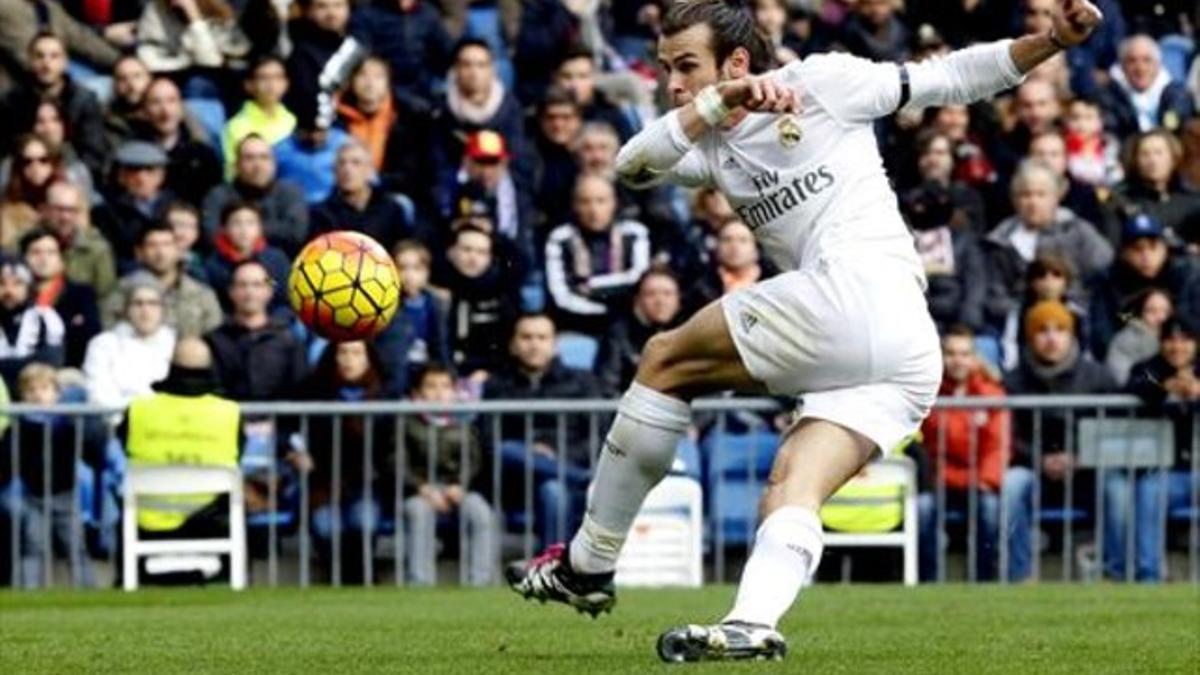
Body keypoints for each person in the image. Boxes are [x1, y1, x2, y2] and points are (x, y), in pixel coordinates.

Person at [505, 0, 1105, 661]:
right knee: (793, 481)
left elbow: (947, 79)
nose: (673, 84)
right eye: (665, 68)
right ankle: (753, 622)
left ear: (736, 59)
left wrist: (1051, 39)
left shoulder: (823, 82)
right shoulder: (709, 145)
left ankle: (589, 561)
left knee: (664, 358)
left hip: (865, 302)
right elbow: (630, 164)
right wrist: (714, 103)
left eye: (687, 67)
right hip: (893, 348)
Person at [1002, 300, 1116, 583]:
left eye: (1060, 330)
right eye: (1042, 330)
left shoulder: (1098, 377)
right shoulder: (1013, 381)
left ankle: (1119, 573)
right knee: (1012, 485)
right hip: (1033, 470)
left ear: (1071, 334)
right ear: (1030, 337)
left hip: (1088, 471)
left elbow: (1114, 429)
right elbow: (1007, 436)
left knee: (1118, 489)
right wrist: (1038, 459)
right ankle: (1020, 577)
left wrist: (1080, 457)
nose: (1052, 338)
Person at [119, 337, 241, 580]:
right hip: (209, 521)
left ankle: (124, 578)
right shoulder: (229, 412)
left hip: (148, 518)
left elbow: (123, 445)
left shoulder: (139, 409)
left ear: (171, 366)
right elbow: (240, 452)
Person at [484, 313, 600, 547]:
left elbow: (597, 436)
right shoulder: (496, 385)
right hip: (515, 479)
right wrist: (530, 453)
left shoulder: (583, 381)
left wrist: (556, 454)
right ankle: (579, 478)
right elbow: (488, 438)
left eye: (542, 337)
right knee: (505, 448)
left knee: (553, 489)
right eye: (526, 337)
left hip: (565, 471)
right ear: (513, 345)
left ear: (554, 345)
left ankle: (553, 570)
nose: (534, 344)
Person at [983, 160, 1112, 344]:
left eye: (1041, 194)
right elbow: (994, 294)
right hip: (1017, 326)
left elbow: (1103, 274)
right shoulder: (1000, 241)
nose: (1033, 202)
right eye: (1025, 195)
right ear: (1014, 200)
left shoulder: (1079, 232)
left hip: (1076, 320)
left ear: (1056, 197)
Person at [916, 326, 1008, 582]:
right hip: (939, 480)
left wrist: (985, 481)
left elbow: (997, 446)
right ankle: (928, 584)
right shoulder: (926, 394)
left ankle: (985, 583)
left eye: (965, 354)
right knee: (923, 508)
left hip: (978, 480)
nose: (958, 360)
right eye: (951, 353)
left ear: (974, 358)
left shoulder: (991, 394)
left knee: (990, 508)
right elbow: (925, 446)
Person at [297, 340, 393, 584]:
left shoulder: (385, 396)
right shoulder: (313, 392)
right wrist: (296, 452)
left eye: (357, 353)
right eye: (343, 352)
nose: (349, 359)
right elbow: (292, 433)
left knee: (364, 522)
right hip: (323, 482)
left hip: (368, 483)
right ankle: (336, 578)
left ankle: (362, 579)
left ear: (369, 358)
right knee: (326, 527)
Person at [1, 363, 102, 588]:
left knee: (75, 545)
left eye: (44, 389)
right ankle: (28, 590)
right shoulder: (18, 427)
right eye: (31, 390)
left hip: (65, 494)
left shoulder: (68, 424)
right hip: (32, 496)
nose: (38, 395)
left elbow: (91, 449)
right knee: (32, 545)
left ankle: (88, 590)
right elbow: (7, 460)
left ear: (57, 393)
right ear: (22, 395)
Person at [399, 364, 496, 586]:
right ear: (416, 393)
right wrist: (421, 487)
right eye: (431, 386)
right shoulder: (405, 421)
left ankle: (479, 583)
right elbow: (397, 462)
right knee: (417, 511)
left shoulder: (465, 421)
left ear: (455, 391)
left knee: (480, 511)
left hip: (457, 489)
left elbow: (473, 460)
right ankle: (419, 582)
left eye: (445, 386)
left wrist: (459, 485)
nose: (439, 392)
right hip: (420, 490)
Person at [1119, 317, 1199, 581]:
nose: (1178, 347)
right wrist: (1164, 389)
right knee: (1148, 490)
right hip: (1169, 472)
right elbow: (1135, 384)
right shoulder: (1150, 367)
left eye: (1185, 340)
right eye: (1170, 340)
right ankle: (1148, 576)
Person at [544, 173, 651, 338]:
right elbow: (561, 296)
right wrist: (607, 311)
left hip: (630, 321)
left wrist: (590, 285)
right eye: (585, 202)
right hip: (578, 324)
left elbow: (638, 277)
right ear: (575, 205)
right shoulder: (560, 238)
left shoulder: (634, 232)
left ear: (614, 202)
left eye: (601, 201)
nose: (593, 210)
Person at [1088, 213, 1200, 358]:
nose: (1146, 256)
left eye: (1153, 247)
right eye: (1137, 249)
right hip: (1134, 355)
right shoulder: (1110, 282)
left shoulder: (1187, 274)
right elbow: (1103, 334)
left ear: (1165, 248)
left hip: (1185, 353)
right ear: (1124, 253)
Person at [0, 32, 107, 179]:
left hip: (72, 179)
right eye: (40, 56)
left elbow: (93, 155)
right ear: (30, 61)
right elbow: (6, 151)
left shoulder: (84, 100)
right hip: (23, 179)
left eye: (54, 56)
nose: (46, 63)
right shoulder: (12, 101)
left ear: (65, 62)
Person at [101, 223, 223, 338]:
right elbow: (109, 331)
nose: (161, 252)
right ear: (139, 253)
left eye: (167, 244)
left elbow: (215, 336)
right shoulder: (122, 290)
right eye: (152, 245)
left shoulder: (201, 293)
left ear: (179, 251)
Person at [200, 134, 310, 255]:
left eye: (264, 157)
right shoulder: (218, 195)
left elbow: (296, 233)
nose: (258, 165)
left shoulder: (290, 193)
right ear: (236, 165)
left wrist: (240, 232)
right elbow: (211, 235)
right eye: (249, 158)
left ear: (274, 163)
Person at [83, 273, 176, 412]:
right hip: (118, 425)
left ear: (162, 310)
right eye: (138, 303)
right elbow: (99, 396)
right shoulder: (103, 345)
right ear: (127, 309)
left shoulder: (177, 346)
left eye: (153, 303)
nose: (145, 310)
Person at [442, 225, 520, 381]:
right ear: (451, 253)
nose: (473, 258)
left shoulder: (503, 298)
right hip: (442, 379)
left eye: (481, 252)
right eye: (467, 250)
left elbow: (508, 350)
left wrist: (490, 373)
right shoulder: (437, 294)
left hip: (489, 378)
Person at [374, 240, 449, 396]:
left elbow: (441, 348)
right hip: (394, 382)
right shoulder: (384, 306)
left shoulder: (436, 305)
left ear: (427, 272)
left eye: (417, 268)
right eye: (403, 268)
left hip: (426, 383)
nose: (409, 275)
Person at [1102, 129, 1200, 247]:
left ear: (1173, 159)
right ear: (1135, 160)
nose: (1152, 161)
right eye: (1145, 154)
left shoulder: (1192, 200)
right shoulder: (1118, 199)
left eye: (1158, 153)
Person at [309, 142, 415, 249]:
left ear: (369, 170)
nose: (347, 170)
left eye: (356, 163)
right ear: (334, 172)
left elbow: (403, 249)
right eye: (341, 163)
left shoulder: (392, 208)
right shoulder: (321, 214)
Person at [20, 228, 100, 368]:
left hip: (67, 368)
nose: (43, 259)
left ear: (61, 259)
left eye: (51, 253)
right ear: (23, 258)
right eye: (36, 252)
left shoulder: (81, 293)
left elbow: (89, 335)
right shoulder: (13, 296)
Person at [596, 267, 683, 396]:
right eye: (651, 294)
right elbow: (608, 386)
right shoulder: (618, 335)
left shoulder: (690, 332)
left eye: (667, 294)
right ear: (637, 300)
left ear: (678, 300)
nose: (660, 301)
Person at [91, 140, 177, 269]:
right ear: (122, 176)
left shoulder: (176, 207)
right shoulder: (106, 213)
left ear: (161, 175)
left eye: (149, 170)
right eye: (133, 170)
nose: (141, 178)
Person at [139, 77, 223, 206]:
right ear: (145, 111)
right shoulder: (135, 155)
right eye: (156, 102)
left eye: (171, 101)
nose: (165, 110)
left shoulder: (202, 155)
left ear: (181, 107)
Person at [1098, 34, 1194, 138]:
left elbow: (1175, 124)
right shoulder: (1109, 97)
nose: (1140, 68)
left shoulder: (1178, 95)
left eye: (1147, 60)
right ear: (1122, 66)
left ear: (1158, 64)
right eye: (1132, 61)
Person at [203, 202, 290, 313]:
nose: (244, 230)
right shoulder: (214, 265)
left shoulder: (275, 260)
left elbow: (283, 296)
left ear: (260, 228)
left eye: (250, 223)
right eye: (236, 223)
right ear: (224, 228)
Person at [221, 56, 296, 176]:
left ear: (286, 83)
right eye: (264, 78)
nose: (271, 84)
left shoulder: (294, 121)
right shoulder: (236, 126)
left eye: (277, 77)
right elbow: (232, 173)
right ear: (249, 85)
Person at [40, 181, 116, 297]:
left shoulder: (97, 249)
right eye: (59, 209)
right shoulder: (26, 242)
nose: (65, 217)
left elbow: (106, 295)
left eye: (71, 210)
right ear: (46, 210)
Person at [0, 255, 63, 391]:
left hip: (34, 390)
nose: (9, 291)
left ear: (28, 287)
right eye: (2, 284)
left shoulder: (45, 316)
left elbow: (53, 358)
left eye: (17, 284)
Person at [553, 48, 637, 143]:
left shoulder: (612, 115)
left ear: (593, 78)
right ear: (555, 79)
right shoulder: (544, 117)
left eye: (582, 76)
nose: (574, 85)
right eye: (567, 77)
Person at [1, 135, 64, 253]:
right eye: (27, 162)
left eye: (43, 160)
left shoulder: (69, 201)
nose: (35, 167)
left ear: (53, 163)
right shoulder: (8, 209)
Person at [1106, 288, 1172, 386]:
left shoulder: (1186, 340)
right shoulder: (1124, 342)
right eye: (1152, 311)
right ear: (1140, 314)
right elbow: (1120, 378)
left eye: (1165, 311)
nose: (1161, 317)